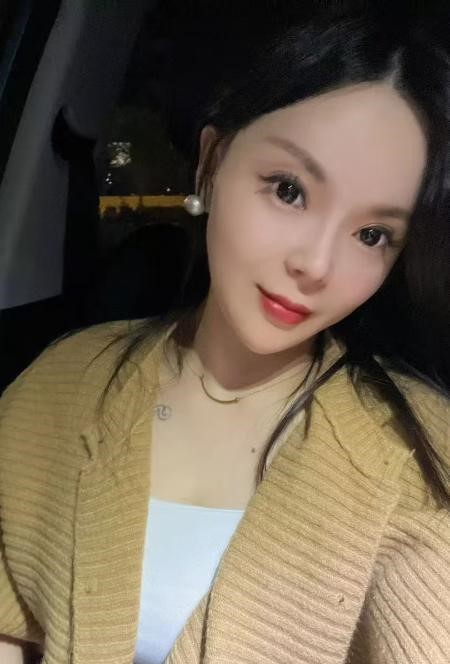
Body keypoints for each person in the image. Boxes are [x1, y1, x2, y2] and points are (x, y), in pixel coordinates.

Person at [0, 3, 449, 663]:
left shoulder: (420, 455)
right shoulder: (64, 383)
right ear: (211, 164)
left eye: (372, 234)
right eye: (289, 190)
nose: (316, 265)